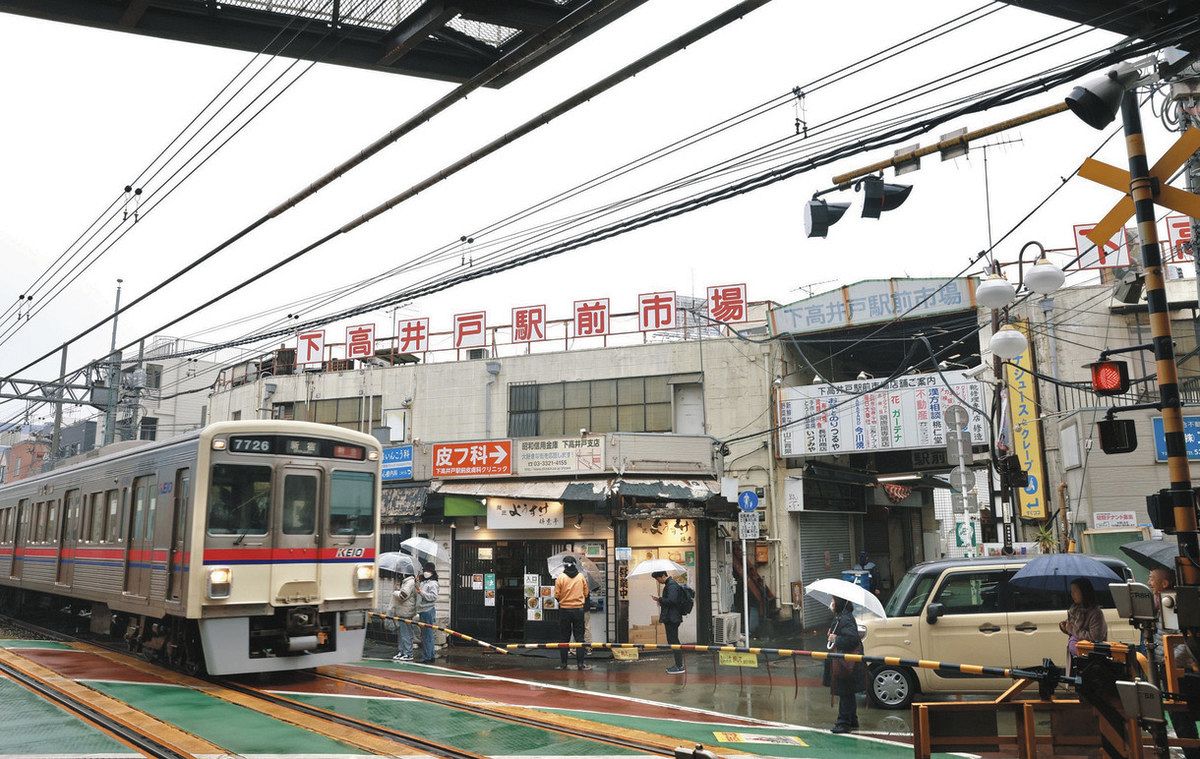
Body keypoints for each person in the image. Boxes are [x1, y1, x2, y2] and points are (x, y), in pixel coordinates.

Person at [823, 597, 865, 734]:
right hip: (845, 662)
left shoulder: (845, 618)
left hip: (845, 662)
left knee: (844, 691)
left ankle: (843, 723)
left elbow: (852, 639)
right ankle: (852, 720)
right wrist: (833, 635)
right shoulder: (842, 617)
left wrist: (836, 639)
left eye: (833, 600)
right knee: (848, 691)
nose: (832, 603)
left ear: (839, 603)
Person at [554, 556, 590, 670]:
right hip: (578, 610)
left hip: (564, 610)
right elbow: (586, 593)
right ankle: (580, 664)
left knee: (564, 637)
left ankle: (564, 664)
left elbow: (556, 595)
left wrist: (564, 599)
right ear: (575, 564)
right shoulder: (581, 577)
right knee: (579, 637)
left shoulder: (560, 577)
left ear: (564, 565)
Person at [1060, 578, 1107, 661]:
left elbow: (1095, 637)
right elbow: (1074, 632)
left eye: (1075, 591)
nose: (1072, 594)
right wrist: (1065, 627)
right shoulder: (1074, 609)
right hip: (1076, 658)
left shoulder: (1095, 613)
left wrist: (1071, 629)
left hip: (1091, 658)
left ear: (1084, 592)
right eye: (1071, 591)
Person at [652, 570, 688, 675]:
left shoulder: (672, 585)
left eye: (658, 579)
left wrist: (660, 599)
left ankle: (679, 666)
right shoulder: (670, 585)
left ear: (663, 576)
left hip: (672, 618)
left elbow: (672, 601)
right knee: (672, 641)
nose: (658, 581)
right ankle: (678, 665)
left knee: (674, 641)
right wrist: (660, 600)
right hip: (671, 617)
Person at [414, 562, 439, 663]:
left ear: (432, 572)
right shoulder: (424, 582)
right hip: (423, 610)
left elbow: (433, 597)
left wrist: (421, 592)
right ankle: (431, 655)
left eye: (428, 571)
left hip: (427, 610)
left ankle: (427, 657)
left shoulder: (433, 583)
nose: (426, 572)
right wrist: (417, 583)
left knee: (427, 635)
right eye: (425, 570)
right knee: (427, 635)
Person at [391, 569, 418, 662]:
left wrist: (395, 592)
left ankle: (408, 653)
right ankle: (402, 651)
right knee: (402, 633)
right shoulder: (406, 582)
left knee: (406, 634)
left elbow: (403, 596)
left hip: (406, 612)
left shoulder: (409, 582)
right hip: (402, 611)